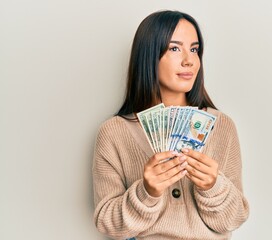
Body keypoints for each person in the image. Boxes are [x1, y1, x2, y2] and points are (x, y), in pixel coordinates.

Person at [92, 10, 249, 240]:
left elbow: (234, 219)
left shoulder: (222, 126)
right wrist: (147, 192)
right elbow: (108, 224)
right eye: (175, 48)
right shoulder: (114, 133)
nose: (189, 60)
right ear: (149, 55)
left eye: (194, 49)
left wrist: (213, 187)